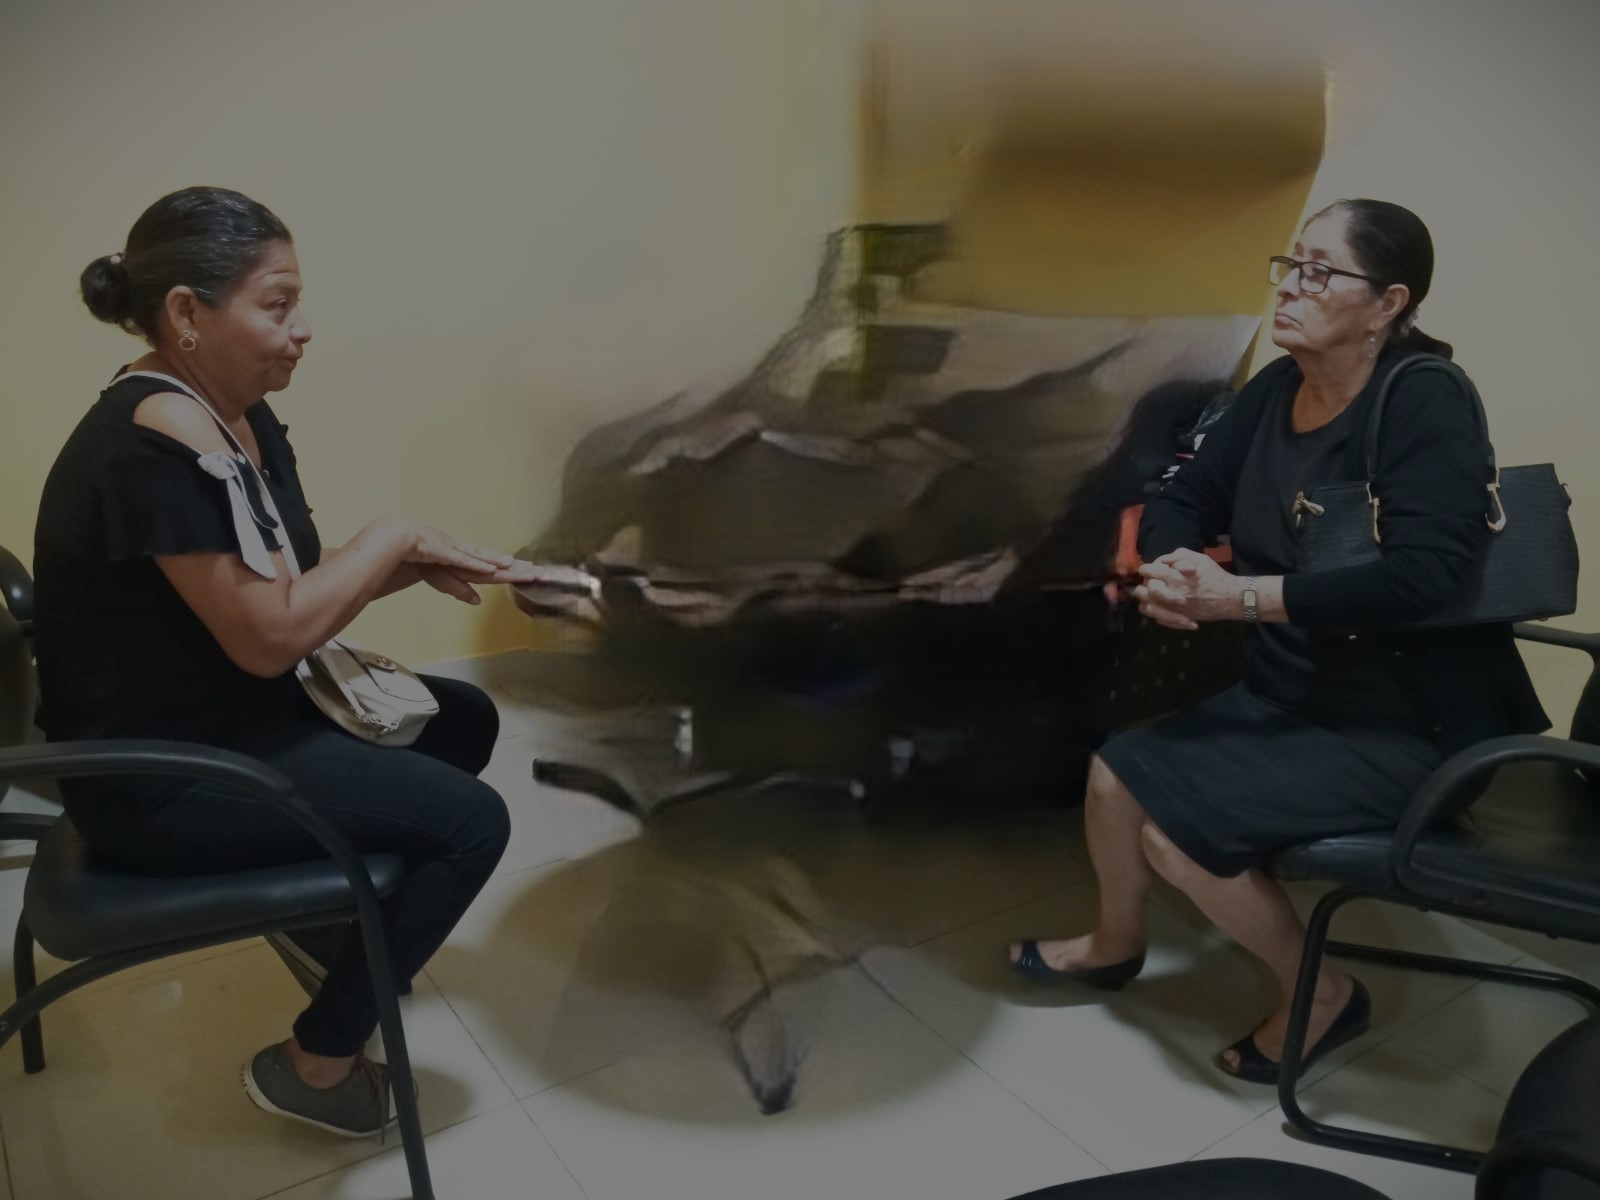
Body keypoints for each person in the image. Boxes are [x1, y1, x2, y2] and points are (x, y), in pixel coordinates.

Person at [33, 186, 541, 1136]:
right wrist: (389, 538)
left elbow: (279, 576)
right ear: (186, 314)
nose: (302, 329)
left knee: (464, 719)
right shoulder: (144, 448)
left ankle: (329, 929)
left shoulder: (234, 413)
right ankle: (315, 1064)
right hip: (156, 775)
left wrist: (404, 564)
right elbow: (265, 635)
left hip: (226, 708)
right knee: (472, 826)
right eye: (277, 304)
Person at [1007, 199, 1548, 1082]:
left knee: (1176, 840)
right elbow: (1185, 494)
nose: (1292, 287)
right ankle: (1113, 944)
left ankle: (1322, 997)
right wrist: (1176, 571)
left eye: (1321, 272)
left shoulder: (1425, 398)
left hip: (1410, 724)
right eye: (1291, 265)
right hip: (1294, 689)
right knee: (1112, 776)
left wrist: (1240, 599)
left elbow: (1427, 576)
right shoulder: (1275, 390)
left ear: (1386, 304)